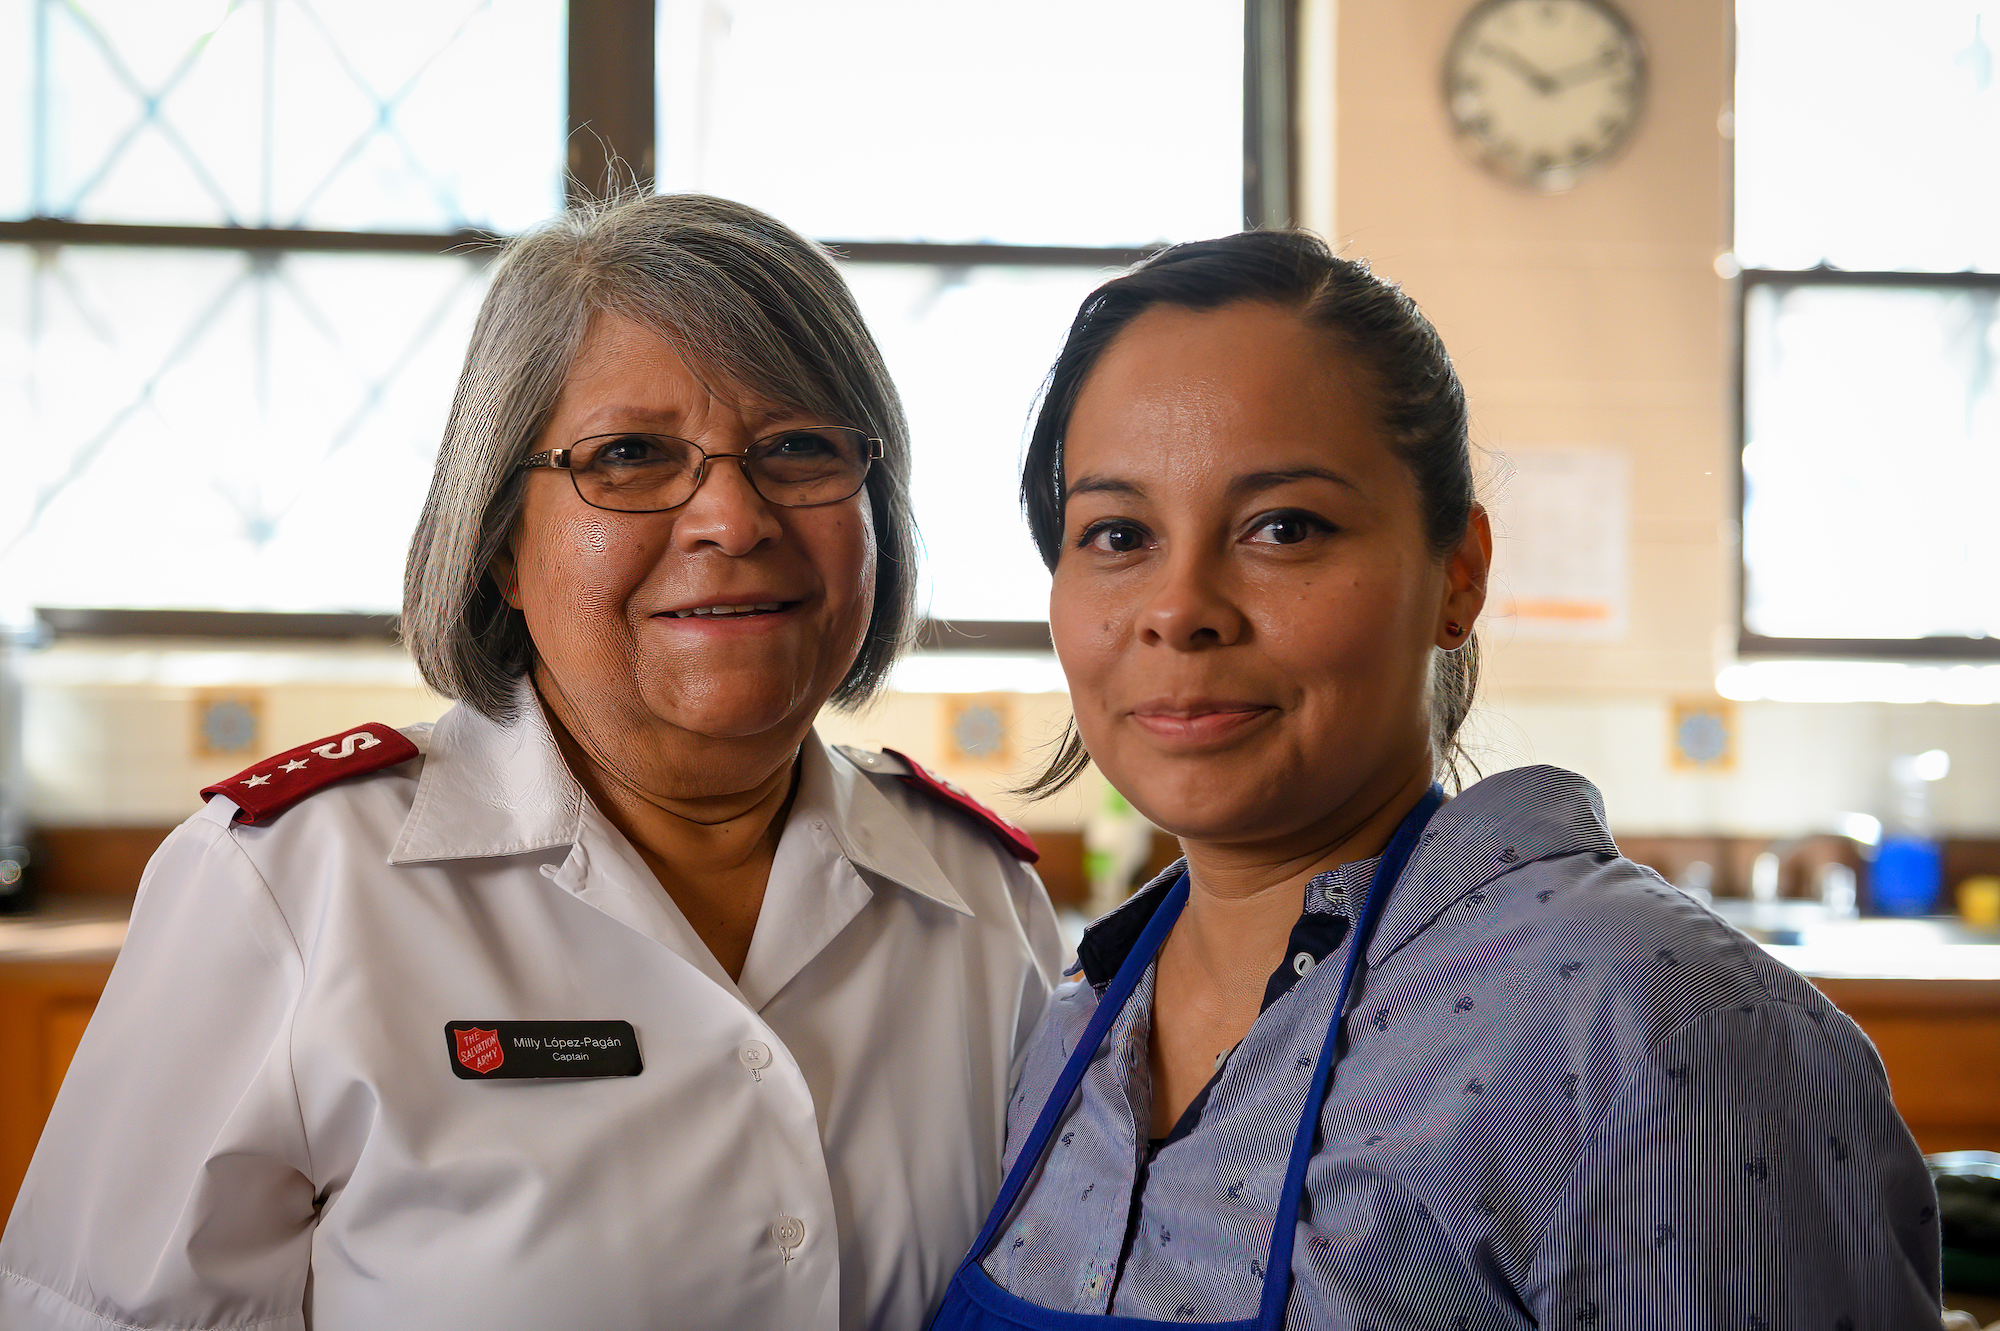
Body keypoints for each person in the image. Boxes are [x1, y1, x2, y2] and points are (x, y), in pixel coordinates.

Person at [0, 194, 1063, 1331]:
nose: (732, 517)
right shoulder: (289, 883)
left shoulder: (978, 897)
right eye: (631, 455)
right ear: (501, 539)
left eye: (798, 446)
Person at [930, 231, 1940, 1329]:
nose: (1180, 607)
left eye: (1283, 526)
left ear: (1456, 573)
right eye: (1117, 532)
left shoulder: (1653, 1033)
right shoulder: (1073, 1026)